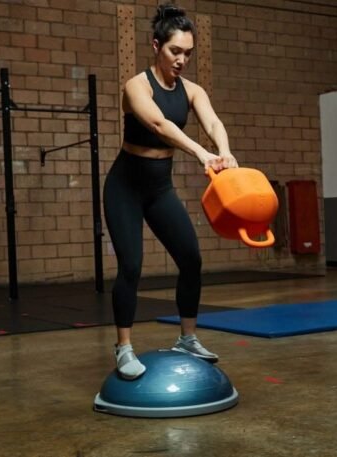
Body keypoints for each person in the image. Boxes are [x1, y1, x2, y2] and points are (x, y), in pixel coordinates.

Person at [103, 3, 238, 380]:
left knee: (191, 259)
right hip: (125, 187)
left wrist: (224, 150)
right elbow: (159, 124)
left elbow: (213, 122)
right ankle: (124, 347)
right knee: (131, 265)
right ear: (156, 46)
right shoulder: (136, 86)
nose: (182, 60)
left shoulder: (192, 90)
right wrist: (201, 153)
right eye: (175, 51)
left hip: (159, 188)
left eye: (188, 53)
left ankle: (187, 338)